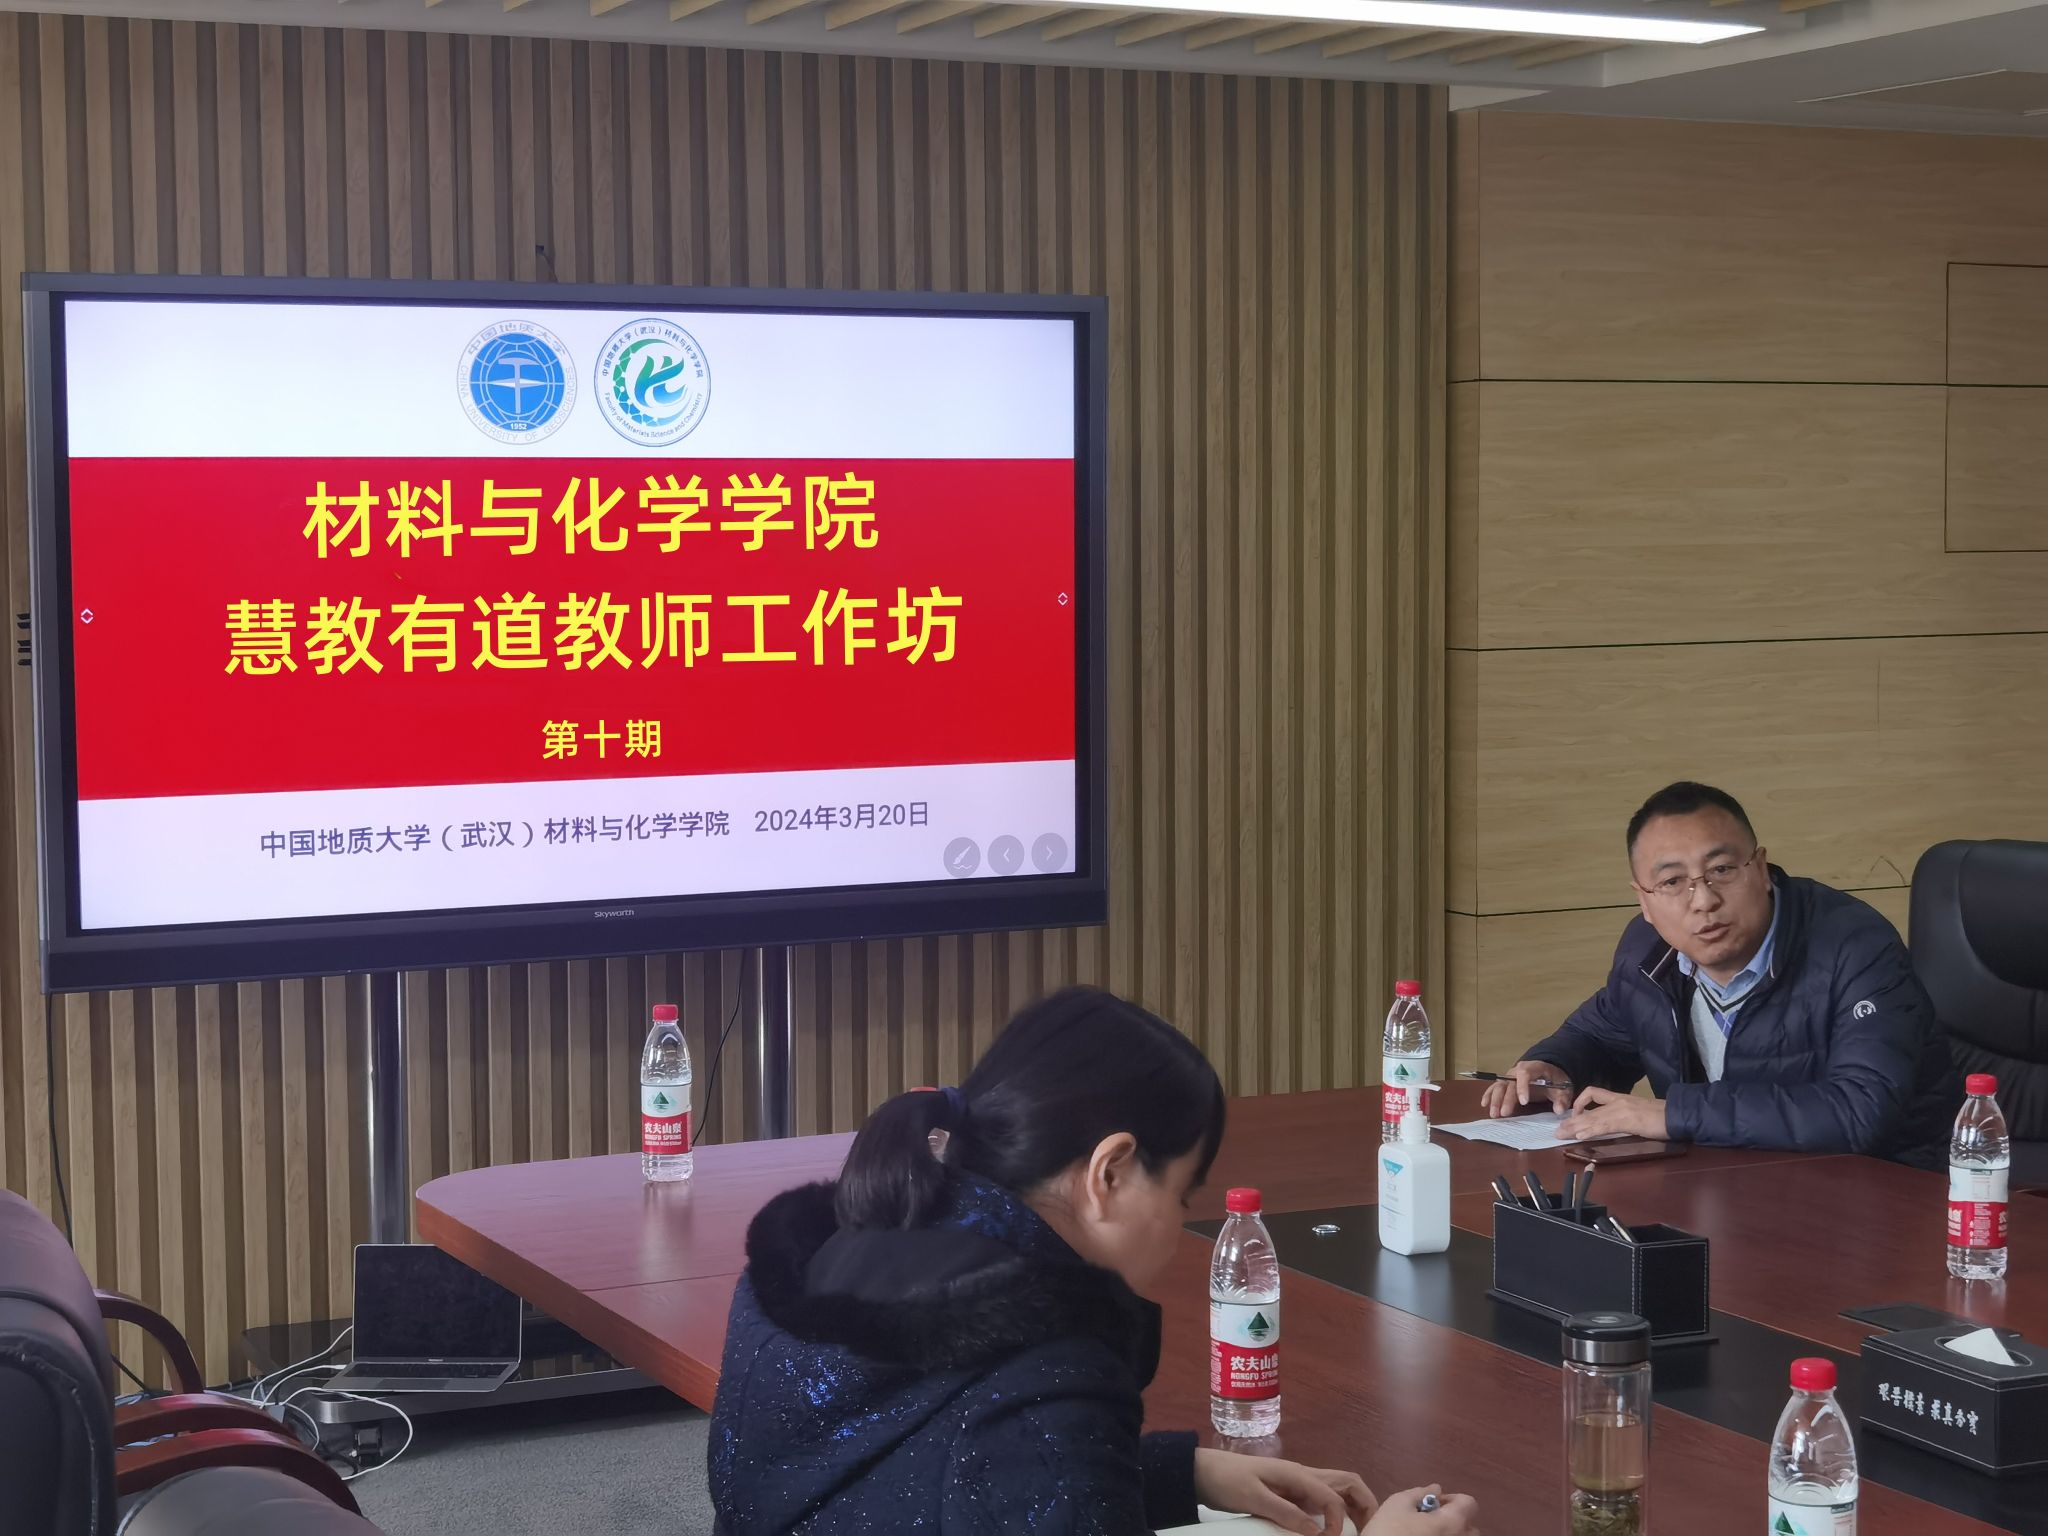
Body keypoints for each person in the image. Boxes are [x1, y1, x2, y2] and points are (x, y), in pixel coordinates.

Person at [709, 986, 1479, 1536]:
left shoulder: (810, 1264)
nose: (1180, 1227)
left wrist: (1179, 1472)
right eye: (1182, 1194)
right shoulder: (1046, 1373)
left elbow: (924, 1473)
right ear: (1109, 1173)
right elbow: (1002, 1451)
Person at [1481, 781, 1961, 1165]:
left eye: (1723, 870)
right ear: (1644, 900)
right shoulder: (1649, 951)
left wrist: (1674, 1115)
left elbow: (1860, 1110)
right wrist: (1554, 1067)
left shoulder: (1855, 947)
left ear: (1761, 868)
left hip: (1891, 1199)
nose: (1704, 900)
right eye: (1672, 882)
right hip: (1737, 1187)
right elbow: (1601, 1035)